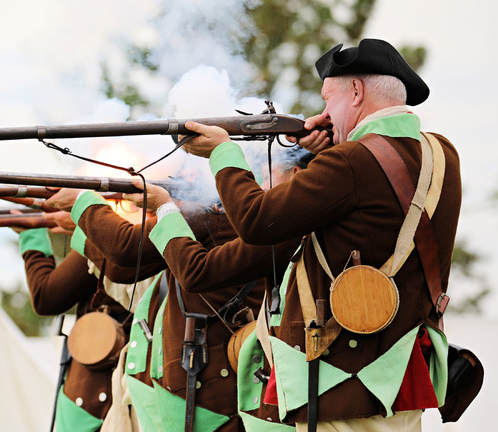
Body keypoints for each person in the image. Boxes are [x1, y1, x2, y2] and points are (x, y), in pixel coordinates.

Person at [166, 38, 460, 431]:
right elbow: (365, 212)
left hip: (337, 391)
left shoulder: (353, 161)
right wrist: (321, 152)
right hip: (401, 383)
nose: (322, 114)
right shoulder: (442, 153)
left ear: (355, 92)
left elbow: (256, 221)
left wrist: (223, 152)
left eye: (328, 100)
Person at [122, 146, 314, 432]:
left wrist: (164, 208)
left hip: (263, 383)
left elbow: (190, 270)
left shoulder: (275, 223)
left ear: (296, 173)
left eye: (266, 171)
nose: (258, 183)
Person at [15, 225, 134, 431]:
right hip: (137, 386)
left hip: (94, 397)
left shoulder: (110, 230)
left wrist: (31, 233)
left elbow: (45, 297)